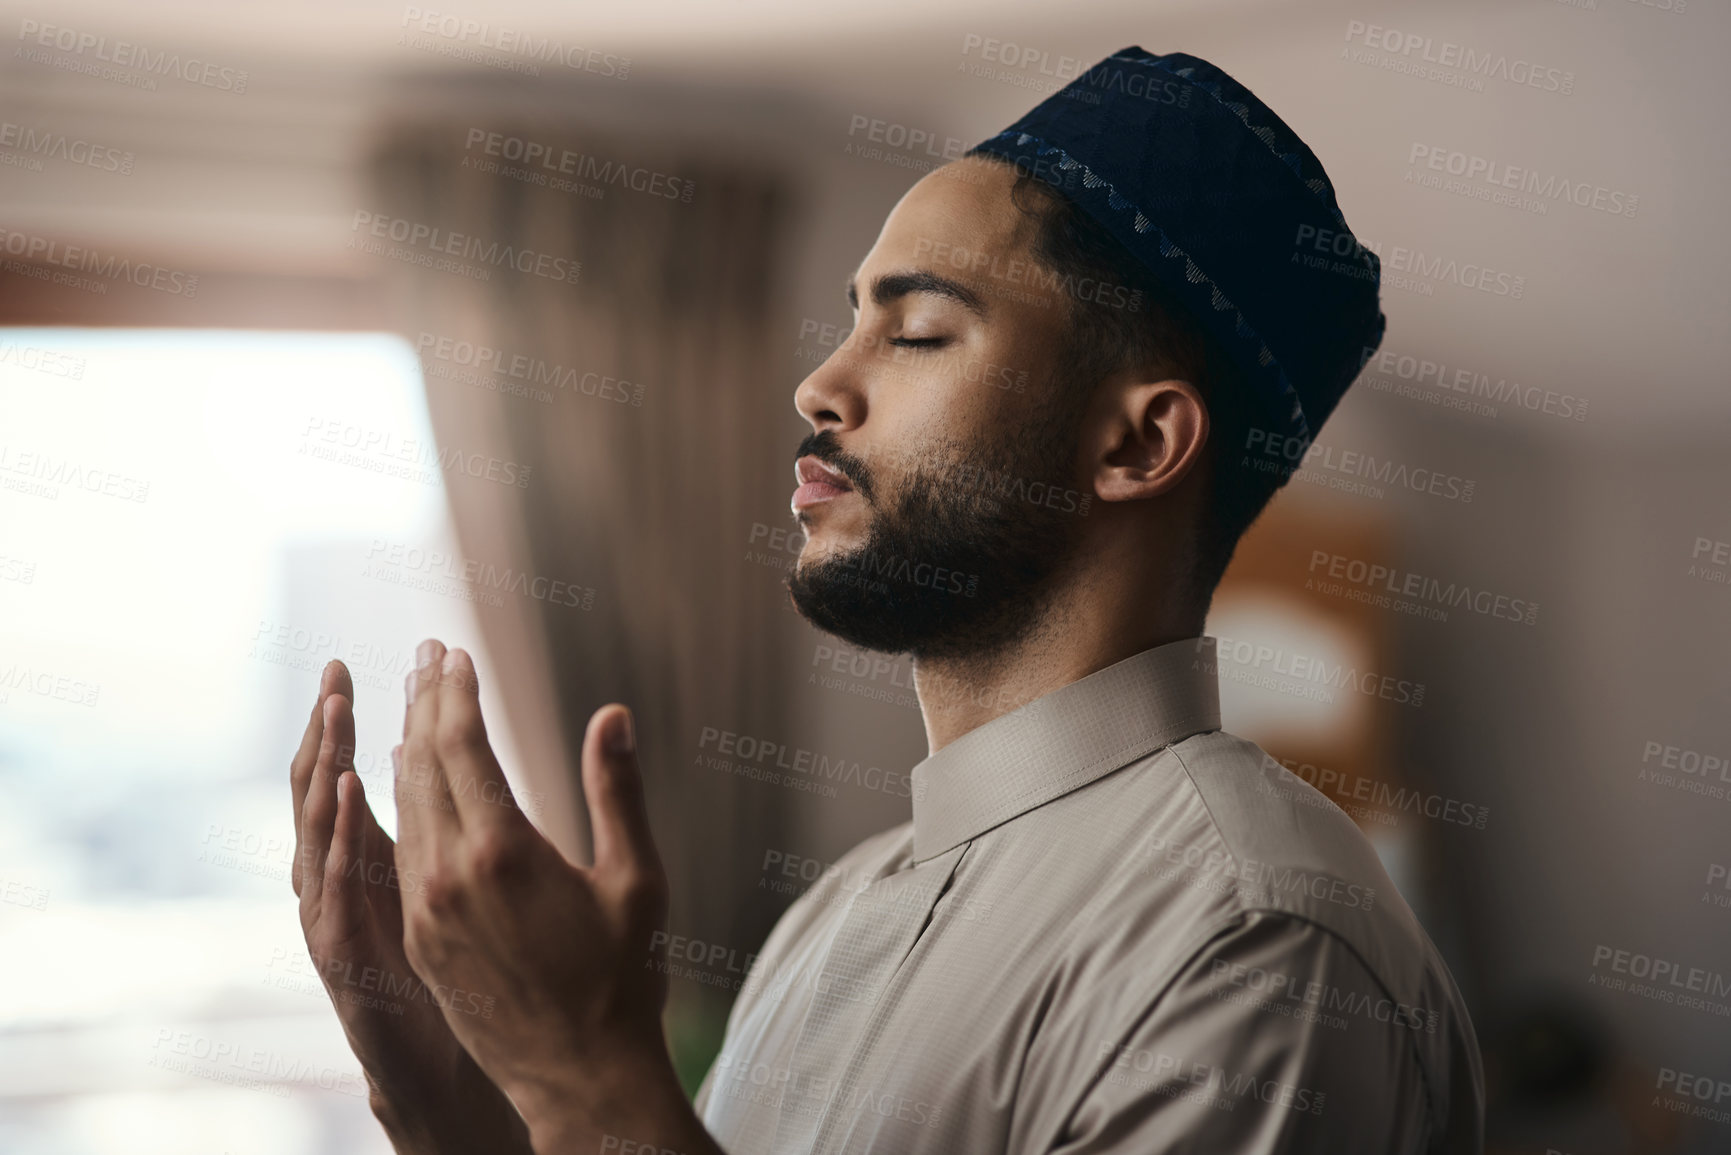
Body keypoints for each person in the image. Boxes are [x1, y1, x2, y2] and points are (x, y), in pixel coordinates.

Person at [289, 46, 1484, 1154]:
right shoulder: (836, 919)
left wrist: (587, 1077)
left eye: (914, 332)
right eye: (850, 319)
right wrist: (446, 1079)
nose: (819, 383)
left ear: (1138, 442)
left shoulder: (1259, 948)